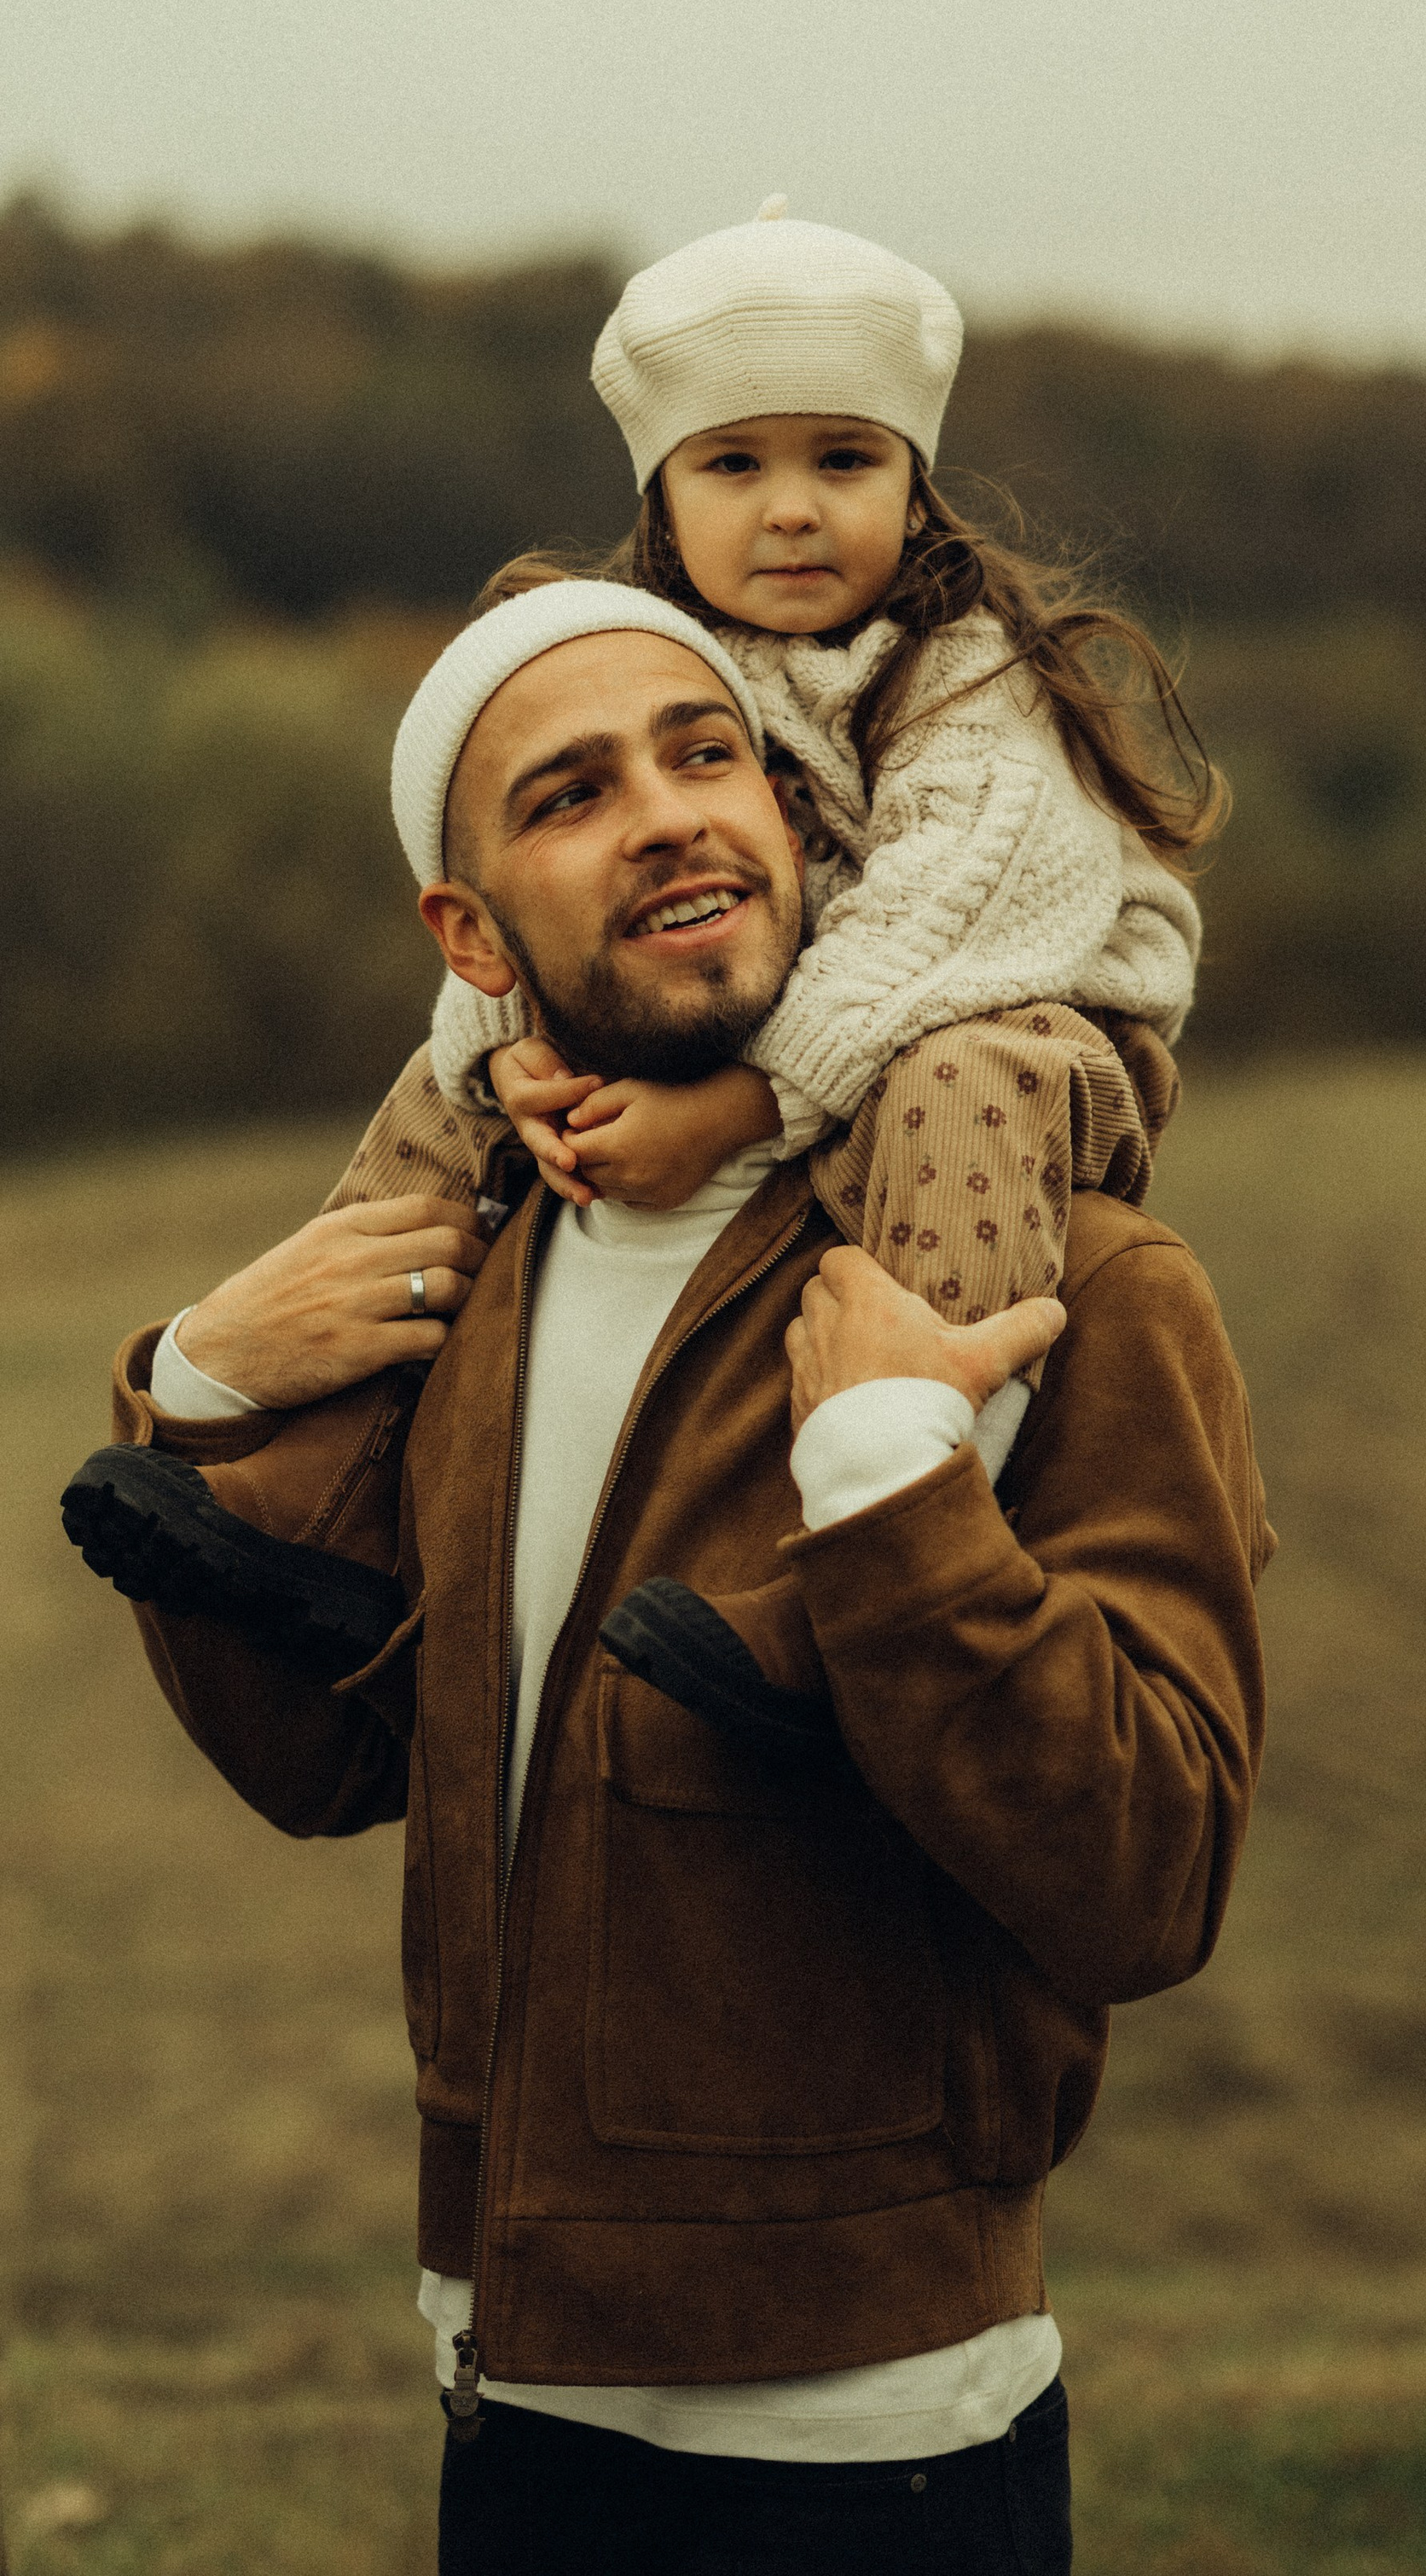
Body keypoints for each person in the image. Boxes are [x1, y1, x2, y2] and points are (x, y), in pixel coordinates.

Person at [67, 590, 1268, 2575]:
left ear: (797, 823)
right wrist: (201, 1398)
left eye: (707, 756)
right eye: (572, 792)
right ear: (468, 938)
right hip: (504, 2394)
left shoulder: (1078, 1284)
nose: (668, 815)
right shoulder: (469, 1288)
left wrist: (897, 1489)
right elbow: (326, 1761)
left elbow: (1147, 1871)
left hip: (875, 2439)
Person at [330, 197, 1221, 1459]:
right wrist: (506, 1047)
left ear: (916, 490)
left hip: (1020, 1018)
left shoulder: (965, 675)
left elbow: (944, 915)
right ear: (664, 495)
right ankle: (320, 1447)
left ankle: (923, 1443)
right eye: (735, 464)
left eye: (844, 461)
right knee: (441, 1087)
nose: (792, 509)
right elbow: (527, 890)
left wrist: (740, 1107)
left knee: (955, 1083)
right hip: (788, 1016)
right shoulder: (651, 658)